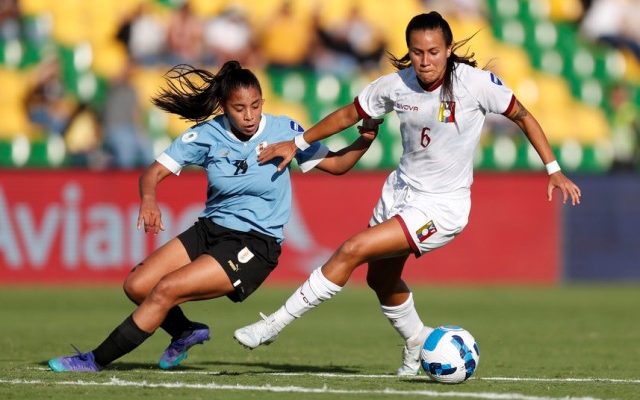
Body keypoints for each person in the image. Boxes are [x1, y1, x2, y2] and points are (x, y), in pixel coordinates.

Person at [233, 11, 583, 376]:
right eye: (417, 52)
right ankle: (417, 341)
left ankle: (272, 325)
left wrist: (553, 169)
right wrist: (298, 142)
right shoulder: (395, 86)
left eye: (433, 52)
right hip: (399, 192)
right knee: (379, 280)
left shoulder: (475, 84)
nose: (425, 60)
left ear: (448, 49)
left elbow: (523, 115)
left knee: (353, 248)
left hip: (441, 207)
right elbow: (347, 115)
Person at [47, 60, 381, 372]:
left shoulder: (285, 130)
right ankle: (185, 331)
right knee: (137, 285)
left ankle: (94, 360)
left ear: (263, 102)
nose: (249, 115)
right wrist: (149, 199)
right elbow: (152, 173)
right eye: (239, 108)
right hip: (210, 229)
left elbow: (337, 165)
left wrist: (363, 141)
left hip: (255, 242)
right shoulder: (206, 135)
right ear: (224, 107)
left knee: (165, 290)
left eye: (256, 105)